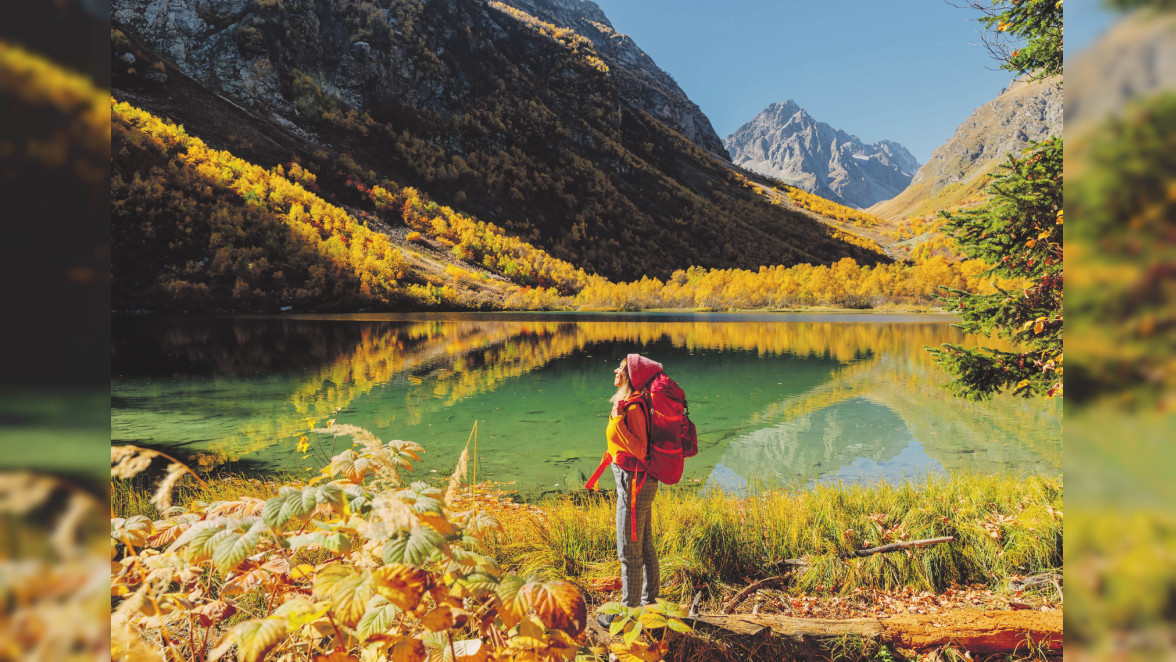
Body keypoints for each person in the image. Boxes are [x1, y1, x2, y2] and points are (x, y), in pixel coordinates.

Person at [594, 353, 663, 628]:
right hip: (635, 481)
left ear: (631, 377)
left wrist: (619, 423)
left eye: (620, 368)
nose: (615, 371)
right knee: (643, 545)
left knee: (628, 551)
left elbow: (640, 450)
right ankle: (650, 604)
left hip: (635, 483)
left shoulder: (633, 409)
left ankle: (627, 616)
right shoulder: (630, 403)